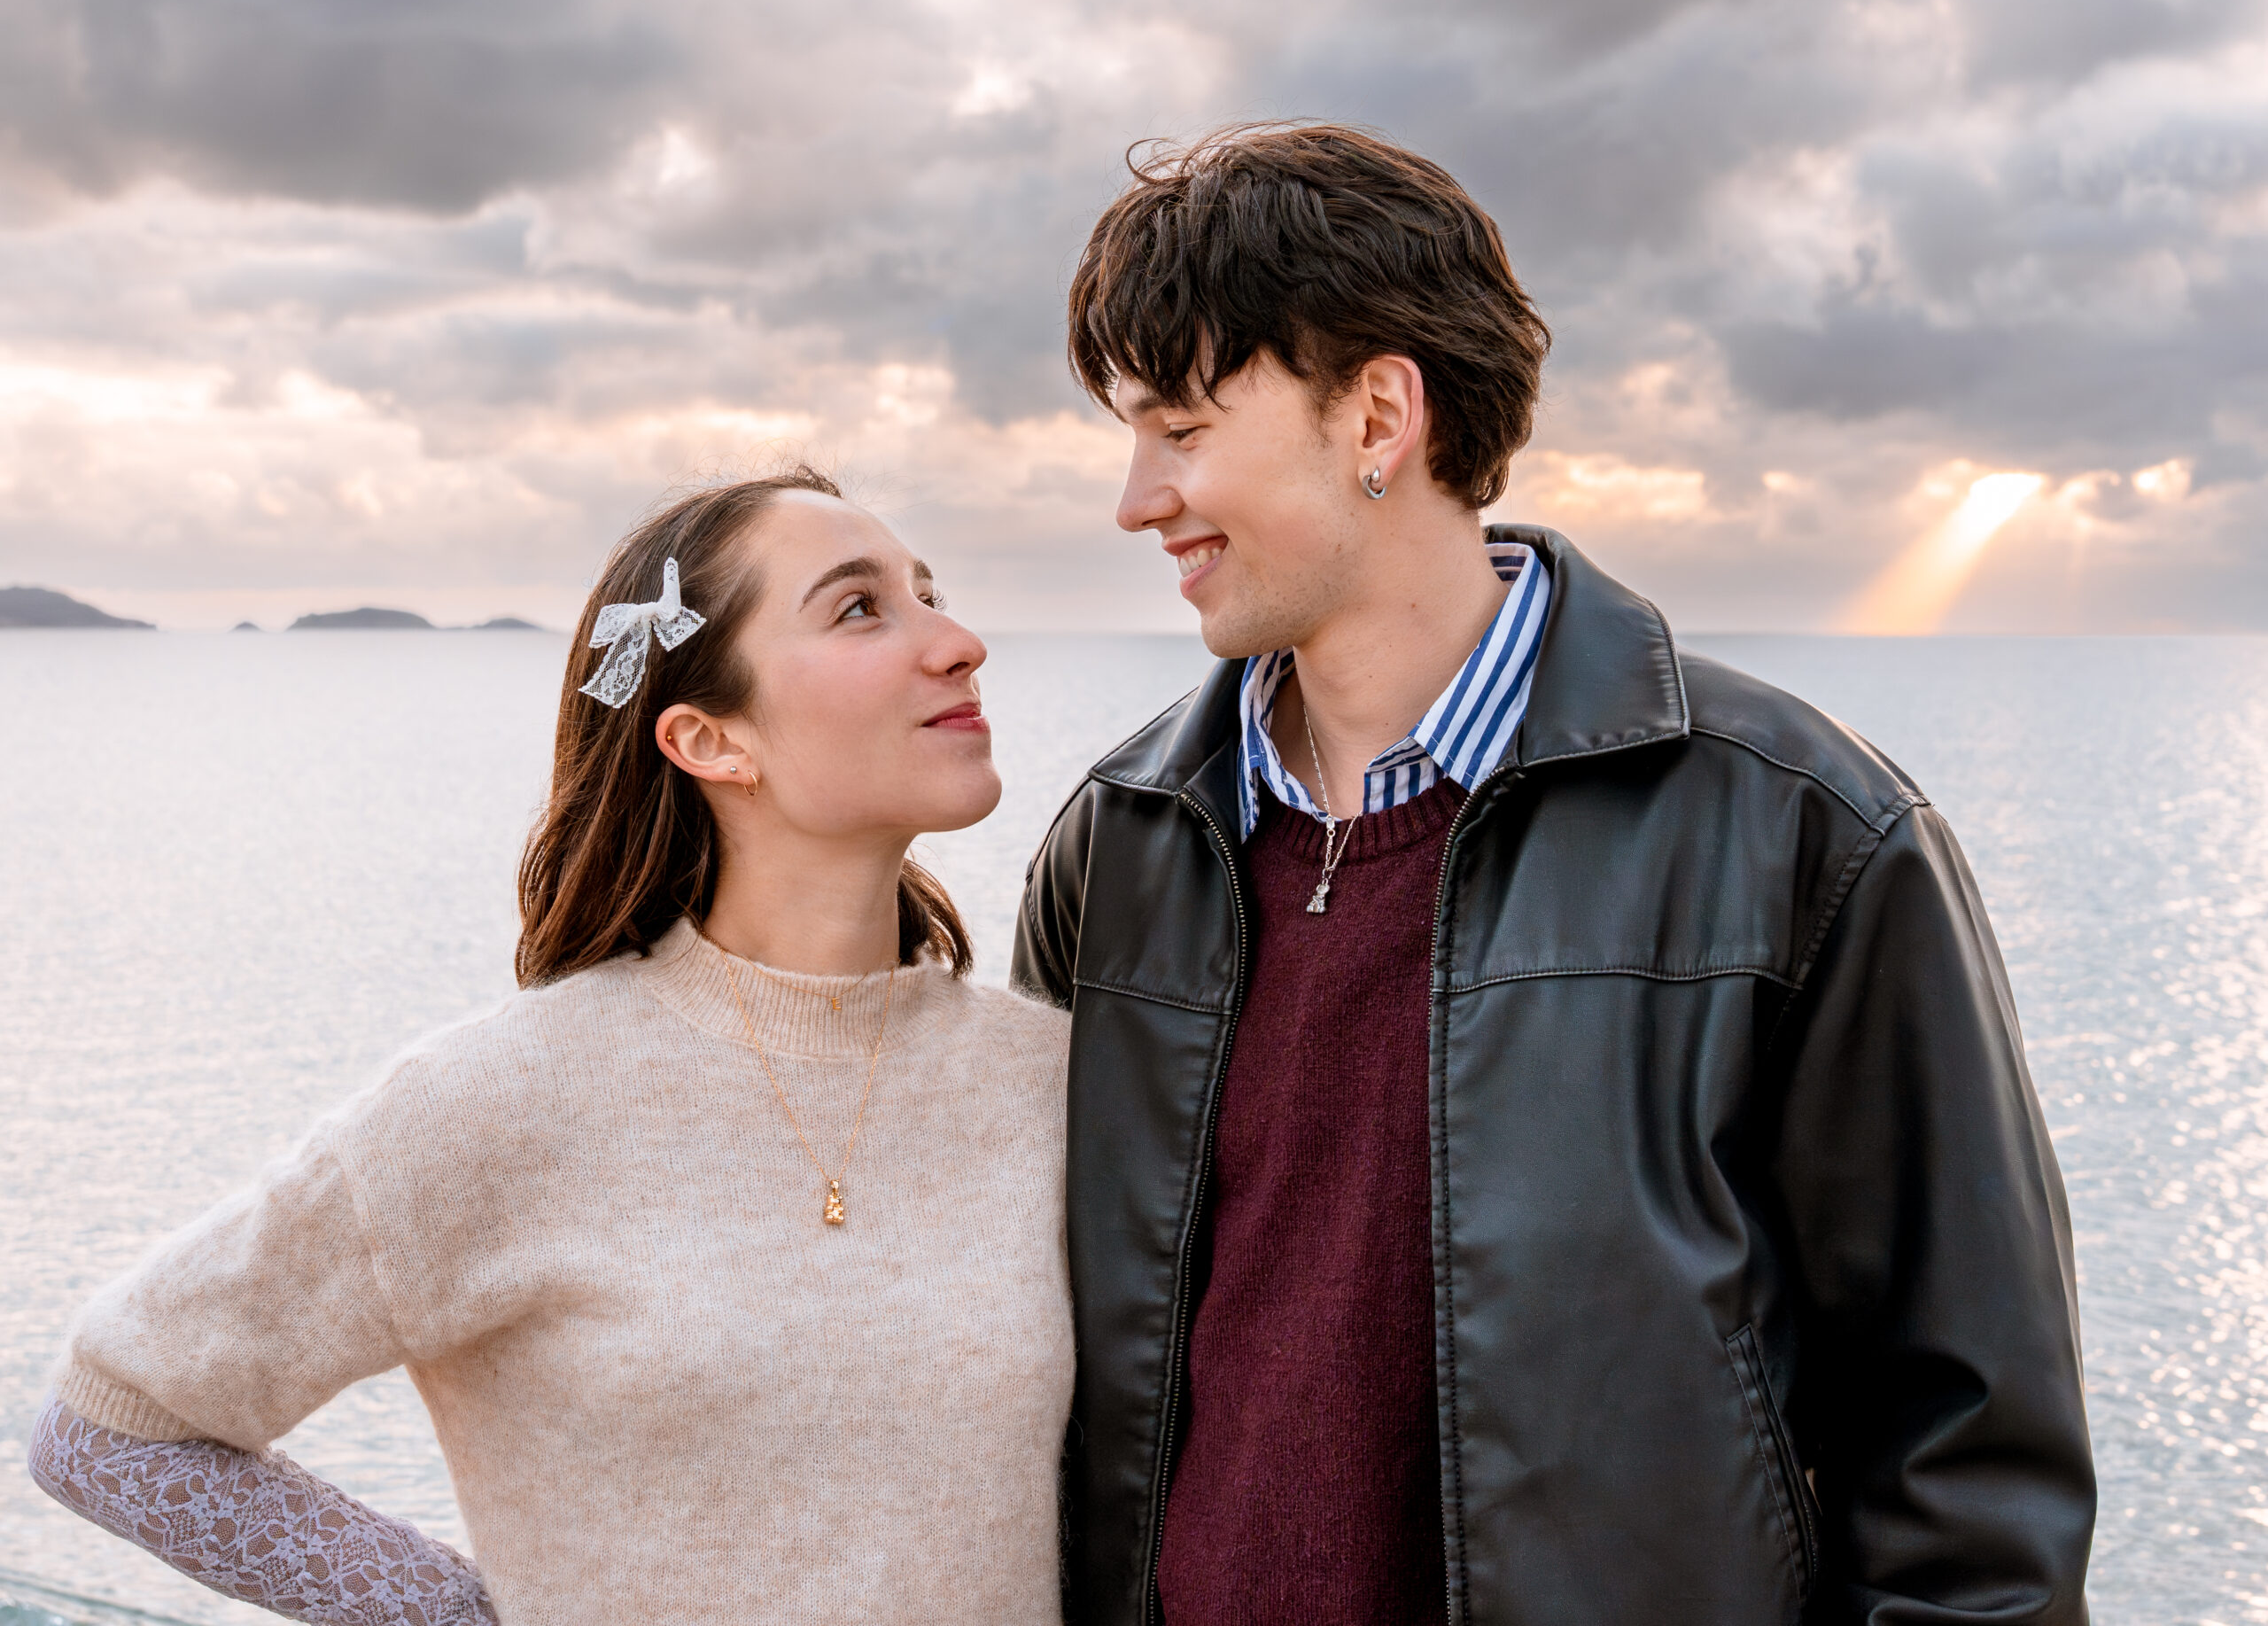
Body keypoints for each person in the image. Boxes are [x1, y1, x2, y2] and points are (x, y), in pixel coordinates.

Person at [1015, 126, 2094, 1625]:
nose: (1139, 500)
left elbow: (1974, 1470)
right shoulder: (1119, 845)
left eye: (1182, 429)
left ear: (1379, 413)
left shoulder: (1802, 832)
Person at [30, 466, 1074, 1625]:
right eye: (861, 607)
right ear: (710, 739)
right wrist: (469, 1616)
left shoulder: (1061, 1081)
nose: (961, 642)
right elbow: (112, 1431)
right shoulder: (510, 1096)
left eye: (931, 593)